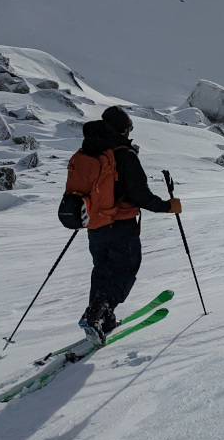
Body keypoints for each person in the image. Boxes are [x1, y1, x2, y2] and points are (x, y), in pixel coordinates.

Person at [74, 106, 181, 344]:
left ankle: (105, 318)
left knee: (102, 270)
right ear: (123, 129)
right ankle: (97, 314)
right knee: (125, 268)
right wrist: (168, 206)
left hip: (94, 224)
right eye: (129, 128)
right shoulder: (124, 154)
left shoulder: (91, 149)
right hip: (120, 224)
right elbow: (140, 195)